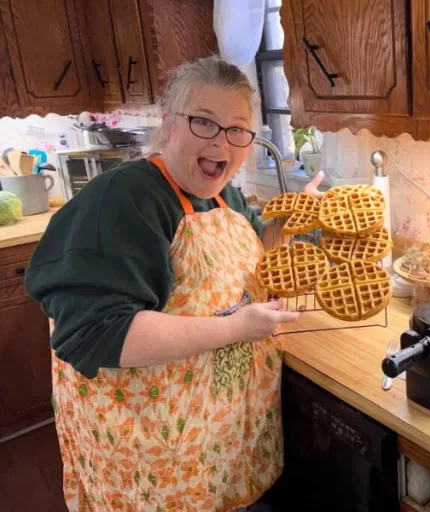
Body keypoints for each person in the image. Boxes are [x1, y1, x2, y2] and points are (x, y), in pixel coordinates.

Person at [25, 55, 324, 511]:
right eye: (204, 122)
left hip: (208, 437)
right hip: (147, 451)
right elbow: (97, 333)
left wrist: (294, 216)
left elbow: (249, 242)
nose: (222, 143)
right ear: (168, 124)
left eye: (237, 129)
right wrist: (236, 328)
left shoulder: (221, 193)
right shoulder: (125, 199)